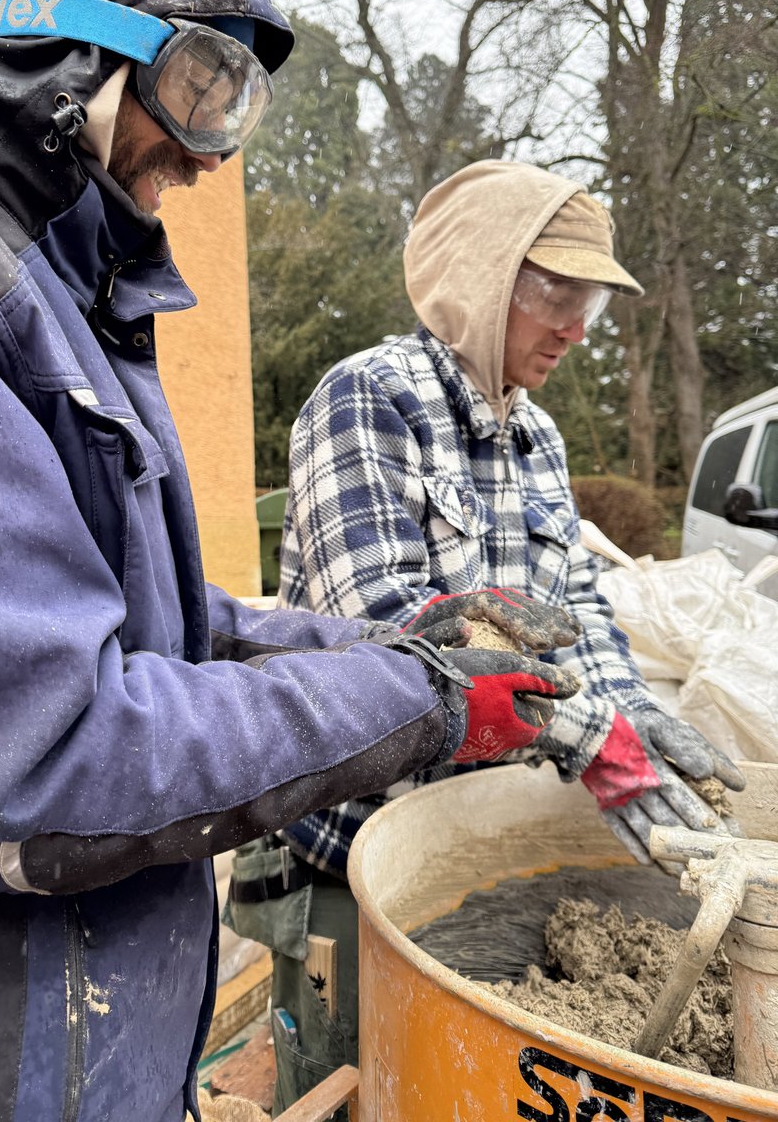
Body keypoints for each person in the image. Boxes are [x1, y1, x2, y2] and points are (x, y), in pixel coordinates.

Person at [0, 0, 589, 1122]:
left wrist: (393, 649)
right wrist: (416, 701)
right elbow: (48, 751)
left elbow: (164, 628)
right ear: (59, 51)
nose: (212, 148)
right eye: (201, 82)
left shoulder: (62, 293)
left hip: (98, 1053)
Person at [254, 159, 744, 1112]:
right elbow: (393, 634)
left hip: (466, 835)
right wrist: (587, 738)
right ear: (481, 276)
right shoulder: (369, 401)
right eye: (554, 290)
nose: (578, 324)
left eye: (588, 297)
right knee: (343, 1076)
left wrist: (632, 711)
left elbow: (581, 616)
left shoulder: (541, 441)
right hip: (338, 848)